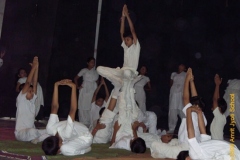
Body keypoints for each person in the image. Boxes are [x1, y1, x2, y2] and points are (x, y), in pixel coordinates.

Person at [42, 79, 92, 156]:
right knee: (64, 146)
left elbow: (69, 109)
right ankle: (72, 144)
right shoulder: (59, 133)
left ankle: (86, 149)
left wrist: (57, 85)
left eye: (58, 151)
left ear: (58, 150)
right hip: (71, 136)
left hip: (85, 137)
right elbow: (56, 107)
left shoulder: (52, 130)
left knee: (65, 150)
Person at [96, 4, 140, 89]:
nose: (126, 41)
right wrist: (123, 18)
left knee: (127, 72)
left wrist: (127, 15)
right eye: (125, 40)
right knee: (99, 69)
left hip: (131, 72)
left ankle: (120, 80)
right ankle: (117, 80)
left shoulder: (136, 47)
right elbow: (121, 33)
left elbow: (132, 30)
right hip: (122, 72)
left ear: (132, 40)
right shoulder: (125, 47)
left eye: (128, 40)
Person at [15, 57, 47, 142]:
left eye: (32, 92)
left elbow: (35, 83)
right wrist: (33, 68)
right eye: (30, 91)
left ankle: (38, 138)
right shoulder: (21, 99)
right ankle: (38, 138)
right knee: (33, 132)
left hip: (32, 131)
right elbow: (28, 82)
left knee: (50, 130)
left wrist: (37, 67)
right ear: (24, 92)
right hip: (21, 134)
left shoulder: (32, 101)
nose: (32, 93)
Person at [178, 68, 207, 144]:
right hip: (196, 143)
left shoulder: (192, 112)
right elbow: (195, 98)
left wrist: (187, 79)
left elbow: (185, 98)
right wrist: (191, 81)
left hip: (186, 143)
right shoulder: (202, 116)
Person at [74, 57, 99, 127]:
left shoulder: (96, 72)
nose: (93, 63)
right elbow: (76, 78)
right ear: (87, 63)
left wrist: (97, 89)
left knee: (91, 104)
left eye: (93, 62)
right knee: (83, 104)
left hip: (93, 89)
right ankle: (83, 122)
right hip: (85, 89)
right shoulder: (84, 70)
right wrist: (77, 86)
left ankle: (90, 121)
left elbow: (97, 81)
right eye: (91, 62)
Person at [168, 64, 186, 133]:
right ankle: (171, 129)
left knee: (182, 110)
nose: (181, 66)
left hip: (181, 93)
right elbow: (171, 83)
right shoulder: (173, 74)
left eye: (182, 66)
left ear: (184, 68)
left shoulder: (185, 74)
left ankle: (185, 129)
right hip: (173, 92)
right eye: (180, 65)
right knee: (172, 111)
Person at [210, 74, 227, 140]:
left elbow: (215, 99)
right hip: (219, 141)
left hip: (217, 143)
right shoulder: (221, 116)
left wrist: (217, 85)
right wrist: (218, 85)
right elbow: (217, 99)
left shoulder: (219, 116)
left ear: (219, 108)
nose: (212, 107)